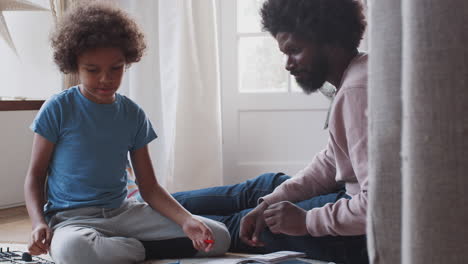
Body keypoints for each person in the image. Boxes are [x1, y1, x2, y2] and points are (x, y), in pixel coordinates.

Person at [23, 2, 230, 264]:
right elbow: (35, 176)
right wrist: (38, 223)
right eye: (92, 70)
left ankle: (118, 250)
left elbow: (150, 187)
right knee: (73, 251)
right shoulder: (58, 108)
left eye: (115, 68)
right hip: (72, 220)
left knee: (219, 236)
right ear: (75, 64)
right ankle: (138, 250)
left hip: (125, 214)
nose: (105, 79)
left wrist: (186, 220)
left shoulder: (133, 114)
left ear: (127, 62)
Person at [170, 0, 369, 263]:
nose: (288, 64)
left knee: (235, 226)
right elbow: (333, 160)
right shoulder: (359, 73)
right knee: (261, 190)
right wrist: (272, 200)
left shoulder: (356, 92)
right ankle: (138, 207)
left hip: (354, 236)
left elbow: (380, 206)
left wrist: (307, 221)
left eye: (295, 50)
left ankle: (128, 228)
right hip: (348, 202)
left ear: (329, 39)